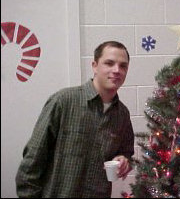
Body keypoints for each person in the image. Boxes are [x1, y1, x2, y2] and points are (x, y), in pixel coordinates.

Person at [15, 41, 135, 198]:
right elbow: (31, 162)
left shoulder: (122, 114)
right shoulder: (64, 101)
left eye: (123, 66)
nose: (117, 70)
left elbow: (127, 153)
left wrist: (124, 160)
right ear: (94, 66)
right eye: (109, 63)